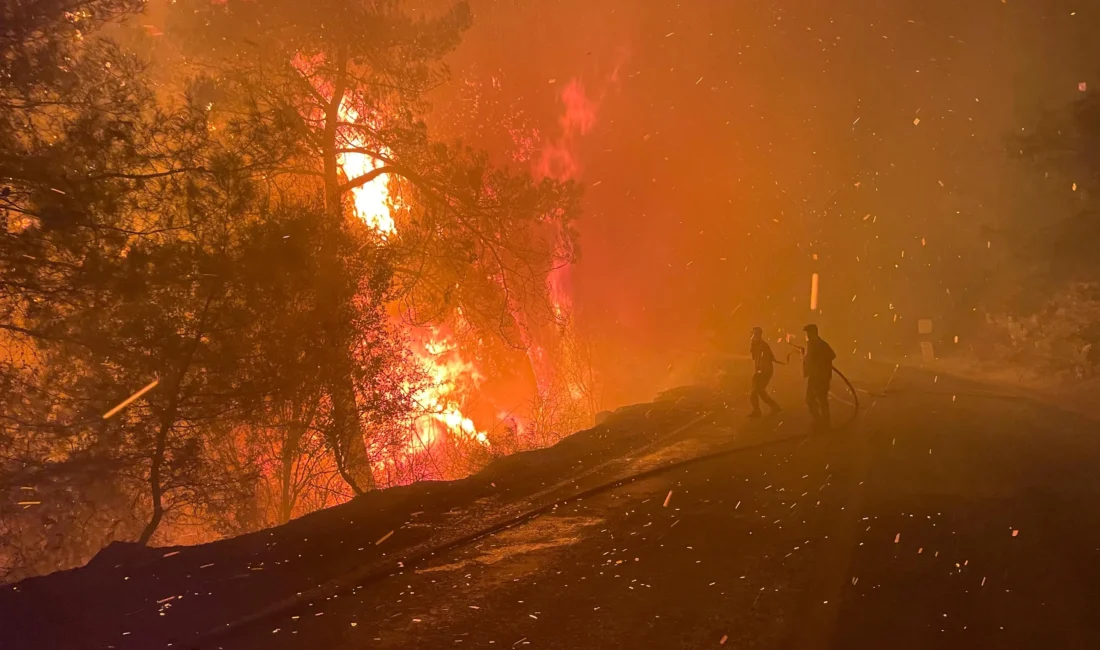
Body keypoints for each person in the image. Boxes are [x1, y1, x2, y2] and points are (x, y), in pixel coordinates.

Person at [801, 323, 835, 428]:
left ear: (814, 333)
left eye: (808, 333)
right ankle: (821, 421)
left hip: (822, 376)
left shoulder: (821, 344)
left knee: (821, 398)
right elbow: (809, 359)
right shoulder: (811, 345)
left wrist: (819, 362)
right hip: (814, 376)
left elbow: (832, 355)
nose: (807, 336)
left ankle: (825, 422)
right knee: (810, 399)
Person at [749, 327, 782, 417]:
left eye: (755, 334)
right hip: (762, 371)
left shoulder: (763, 346)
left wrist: (760, 373)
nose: (752, 336)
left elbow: (766, 360)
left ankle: (757, 411)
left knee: (754, 392)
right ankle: (775, 407)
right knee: (760, 392)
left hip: (764, 371)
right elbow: (754, 357)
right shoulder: (757, 345)